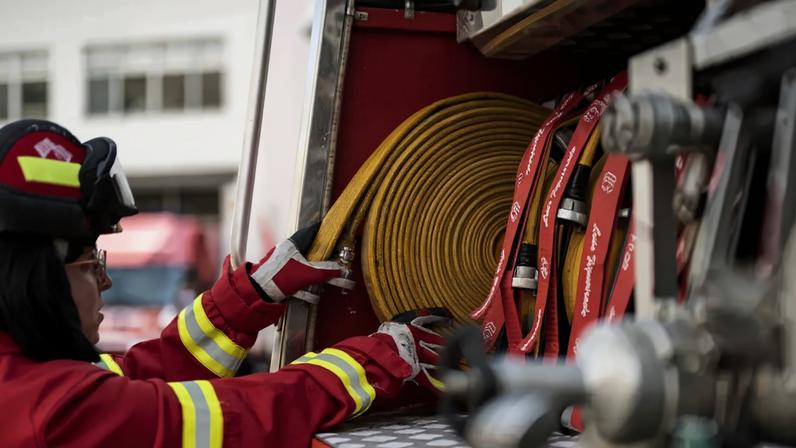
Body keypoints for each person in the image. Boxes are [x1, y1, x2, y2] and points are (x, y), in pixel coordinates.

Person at [0, 119, 449, 447]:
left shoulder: (26, 377)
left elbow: (135, 380)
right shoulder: (51, 411)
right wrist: (373, 363)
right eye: (90, 263)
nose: (107, 281)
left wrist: (249, 298)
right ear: (43, 271)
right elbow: (233, 419)